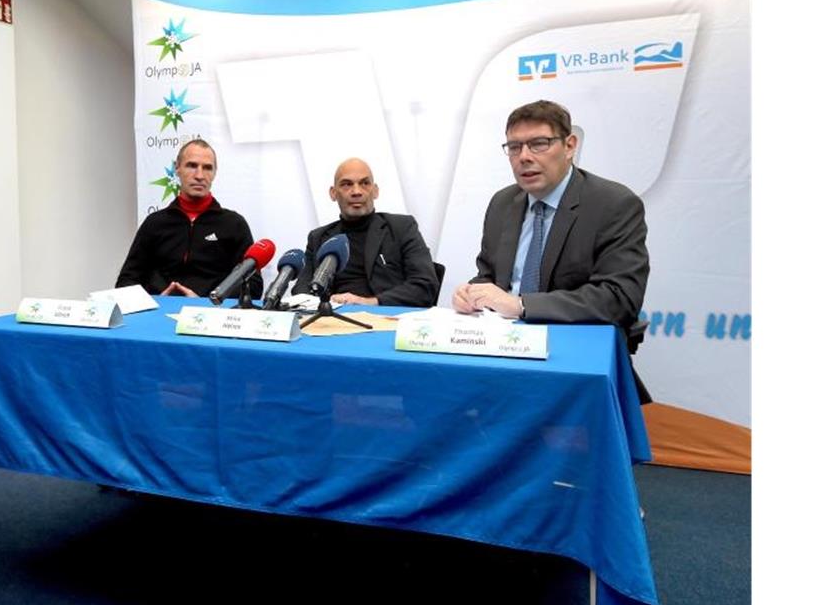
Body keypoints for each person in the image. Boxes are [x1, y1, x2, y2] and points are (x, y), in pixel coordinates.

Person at [451, 100, 651, 397]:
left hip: (571, 351)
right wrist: (473, 292)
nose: (524, 157)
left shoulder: (614, 204)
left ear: (570, 146)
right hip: (500, 346)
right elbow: (488, 275)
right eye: (514, 147)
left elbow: (619, 298)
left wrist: (521, 305)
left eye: (539, 144)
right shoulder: (503, 203)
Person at [116, 139, 261, 299]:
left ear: (214, 173)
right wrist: (157, 300)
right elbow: (126, 282)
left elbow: (253, 285)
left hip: (211, 317)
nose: (199, 175)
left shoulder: (233, 224)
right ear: (177, 168)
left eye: (207, 168)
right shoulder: (155, 223)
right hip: (158, 315)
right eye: (192, 166)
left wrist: (207, 301)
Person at [292, 158, 439, 307]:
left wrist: (371, 302)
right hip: (333, 320)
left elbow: (426, 286)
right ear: (333, 193)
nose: (356, 191)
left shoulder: (401, 228)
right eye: (347, 184)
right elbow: (301, 292)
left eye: (364, 183)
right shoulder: (319, 238)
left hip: (387, 318)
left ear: (375, 191)